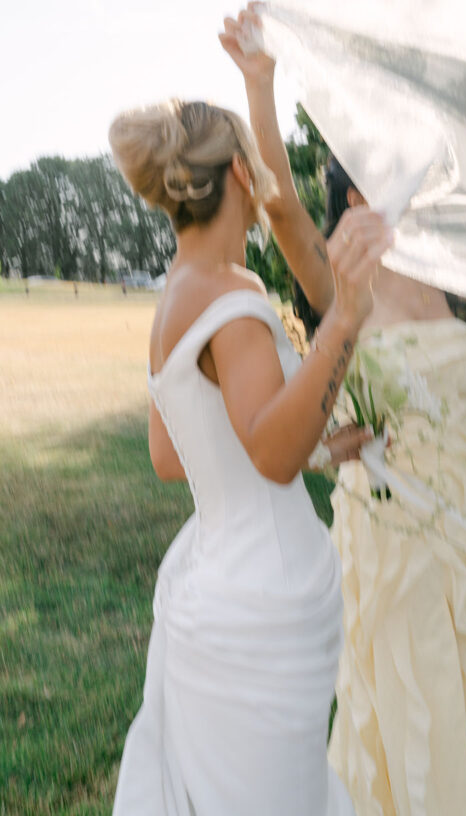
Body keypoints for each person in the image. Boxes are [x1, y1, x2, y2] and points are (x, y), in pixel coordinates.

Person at [222, 6, 466, 816]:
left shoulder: (448, 268)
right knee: (416, 690)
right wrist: (260, 83)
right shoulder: (333, 277)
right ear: (361, 186)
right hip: (394, 530)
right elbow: (280, 204)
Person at [108, 91, 392, 814]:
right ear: (241, 173)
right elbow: (270, 454)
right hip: (267, 601)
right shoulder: (234, 297)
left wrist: (322, 449)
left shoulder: (175, 296)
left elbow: (173, 455)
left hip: (210, 583)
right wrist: (346, 318)